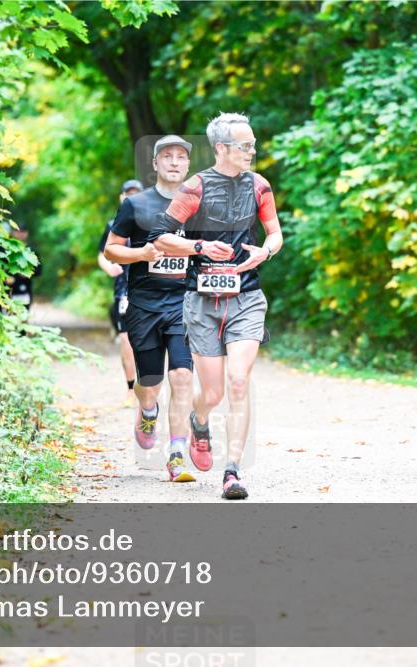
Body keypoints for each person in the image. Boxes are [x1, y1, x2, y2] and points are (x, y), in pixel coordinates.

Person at [150, 113, 283, 500]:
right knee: (213, 393)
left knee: (239, 382)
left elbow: (275, 233)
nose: (252, 151)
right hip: (202, 301)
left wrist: (265, 252)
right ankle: (199, 419)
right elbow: (161, 238)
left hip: (246, 297)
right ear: (221, 148)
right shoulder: (194, 188)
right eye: (245, 146)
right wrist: (200, 247)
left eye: (253, 144)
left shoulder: (260, 186)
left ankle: (232, 472)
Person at [104, 136, 196, 482]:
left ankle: (176, 454)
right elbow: (112, 250)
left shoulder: (198, 205)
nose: (174, 162)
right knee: (151, 382)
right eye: (167, 156)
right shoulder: (136, 205)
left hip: (183, 304)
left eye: (181, 157)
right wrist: (141, 254)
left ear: (188, 166)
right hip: (144, 304)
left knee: (183, 376)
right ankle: (147, 409)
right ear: (155, 164)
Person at [98, 180, 143, 399]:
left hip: (148, 288)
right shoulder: (113, 224)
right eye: (128, 194)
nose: (132, 198)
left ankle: (149, 384)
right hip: (123, 289)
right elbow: (102, 253)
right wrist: (109, 267)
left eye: (137, 194)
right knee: (126, 339)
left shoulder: (153, 221)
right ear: (122, 197)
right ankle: (130, 387)